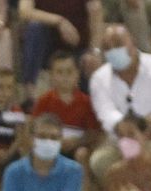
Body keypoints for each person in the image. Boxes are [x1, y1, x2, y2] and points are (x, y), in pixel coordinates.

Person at [88, 23, 151, 187]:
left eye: (118, 44)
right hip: (119, 140)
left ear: (133, 41)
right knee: (100, 161)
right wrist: (133, 128)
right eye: (107, 48)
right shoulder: (99, 78)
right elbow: (107, 115)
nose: (112, 51)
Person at [32, 48, 101, 181]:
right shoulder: (44, 101)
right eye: (59, 72)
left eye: (69, 72)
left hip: (77, 148)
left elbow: (94, 132)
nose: (65, 77)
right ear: (51, 76)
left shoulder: (86, 102)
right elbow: (34, 129)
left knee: (82, 154)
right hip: (50, 144)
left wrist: (77, 141)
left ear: (77, 74)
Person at [18, 0, 103, 87]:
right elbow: (24, 11)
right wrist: (59, 21)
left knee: (89, 63)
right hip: (46, 48)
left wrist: (94, 51)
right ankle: (29, 94)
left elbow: (96, 12)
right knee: (35, 28)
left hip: (78, 46)